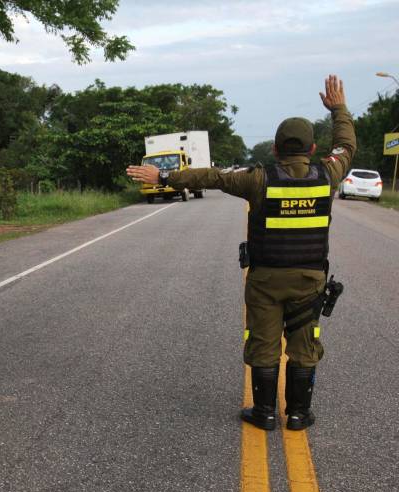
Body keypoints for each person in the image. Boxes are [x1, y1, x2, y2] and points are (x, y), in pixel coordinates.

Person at [126, 75, 356, 431]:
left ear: (275, 149)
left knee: (263, 344)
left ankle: (264, 413)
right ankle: (297, 414)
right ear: (311, 150)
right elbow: (346, 145)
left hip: (265, 280)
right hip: (309, 280)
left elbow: (212, 177)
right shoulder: (328, 174)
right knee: (304, 344)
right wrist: (339, 109)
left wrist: (165, 176)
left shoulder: (257, 178)